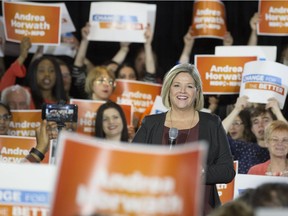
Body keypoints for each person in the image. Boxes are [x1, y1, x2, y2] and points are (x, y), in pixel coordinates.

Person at [132, 63, 235, 215]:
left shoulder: (212, 123)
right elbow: (133, 164)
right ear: (168, 89)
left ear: (197, 91)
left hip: (200, 209)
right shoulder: (151, 123)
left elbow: (227, 171)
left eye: (189, 86)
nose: (182, 91)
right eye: (177, 85)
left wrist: (200, 172)